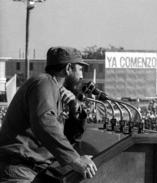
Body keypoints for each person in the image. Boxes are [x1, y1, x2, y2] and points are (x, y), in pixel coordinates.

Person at [0, 46, 97, 182]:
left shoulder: (55, 90)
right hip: (20, 171)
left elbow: (68, 140)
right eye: (80, 69)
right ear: (68, 68)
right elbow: (44, 123)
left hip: (33, 171)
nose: (82, 76)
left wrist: (75, 108)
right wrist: (75, 160)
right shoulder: (44, 83)